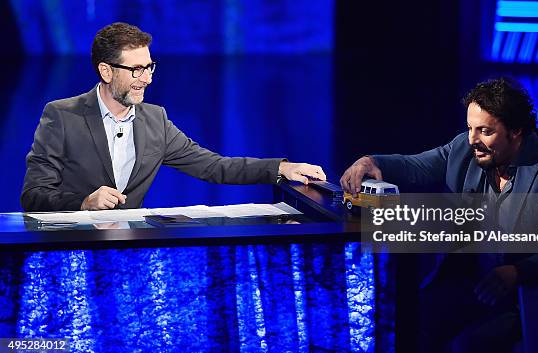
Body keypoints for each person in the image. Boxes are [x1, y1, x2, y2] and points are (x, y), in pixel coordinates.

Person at [340, 77, 538, 353]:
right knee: (400, 324)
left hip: (525, 295)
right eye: (470, 129)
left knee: (471, 344)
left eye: (485, 131)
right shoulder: (464, 150)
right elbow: (415, 166)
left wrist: (518, 272)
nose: (473, 140)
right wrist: (371, 161)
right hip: (466, 285)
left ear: (516, 130)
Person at [21, 22, 325, 212]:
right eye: (136, 70)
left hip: (128, 251)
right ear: (106, 71)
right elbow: (34, 195)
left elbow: (214, 167)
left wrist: (281, 168)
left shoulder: (155, 121)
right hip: (68, 252)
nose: (147, 79)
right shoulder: (62, 115)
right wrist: (84, 202)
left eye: (150, 67)